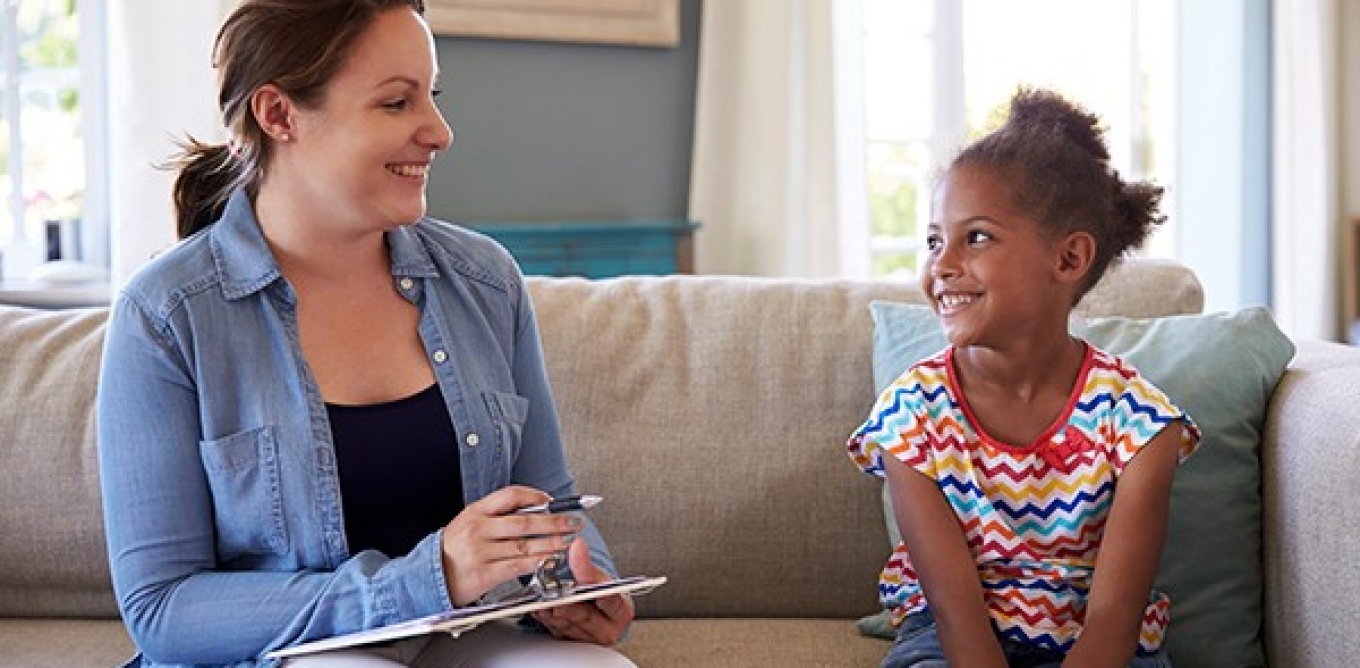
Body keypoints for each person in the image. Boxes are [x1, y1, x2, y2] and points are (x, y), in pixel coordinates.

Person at [96, 1, 635, 666]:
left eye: (431, 97)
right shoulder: (167, 315)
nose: (439, 132)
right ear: (280, 115)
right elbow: (163, 610)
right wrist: (422, 580)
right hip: (277, 653)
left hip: (461, 633)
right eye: (395, 103)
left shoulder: (485, 283)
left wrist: (577, 583)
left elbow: (550, 502)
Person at [847, 88, 1201, 668]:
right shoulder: (912, 415)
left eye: (976, 237)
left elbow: (1111, 630)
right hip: (951, 641)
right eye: (935, 240)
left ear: (1068, 260)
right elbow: (958, 619)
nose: (942, 264)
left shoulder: (1140, 424)